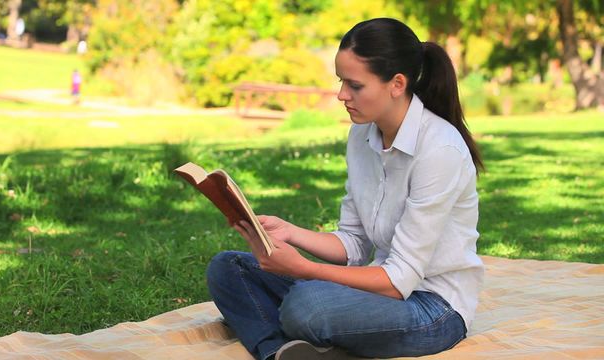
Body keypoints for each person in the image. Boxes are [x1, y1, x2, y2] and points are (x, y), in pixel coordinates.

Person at [207, 17, 485, 360]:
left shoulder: (439, 150)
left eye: (354, 85)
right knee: (228, 268)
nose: (341, 95)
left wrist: (303, 270)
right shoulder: (361, 135)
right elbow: (353, 243)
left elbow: (400, 281)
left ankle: (288, 336)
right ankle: (279, 351)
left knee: (307, 307)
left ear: (397, 84)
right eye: (341, 82)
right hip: (378, 293)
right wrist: (290, 232)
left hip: (432, 309)